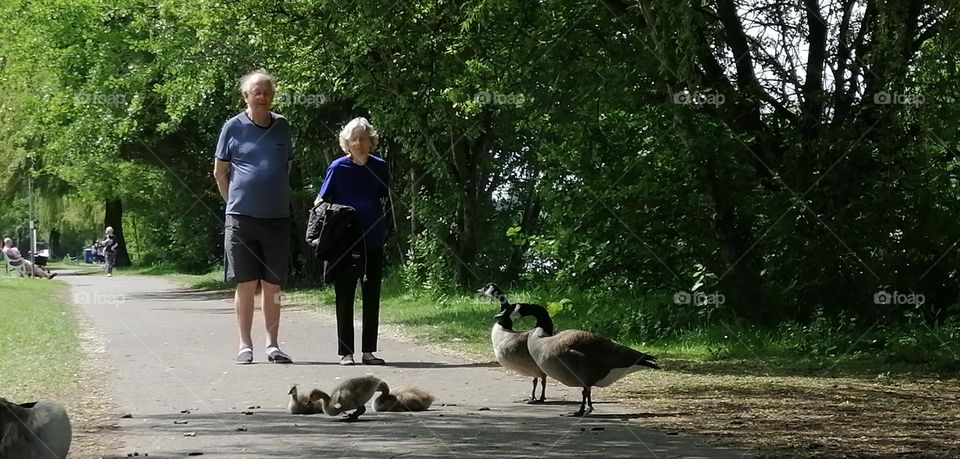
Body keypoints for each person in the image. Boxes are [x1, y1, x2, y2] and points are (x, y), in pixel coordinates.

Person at [214, 69, 294, 364]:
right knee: (246, 283)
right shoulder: (232, 127)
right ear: (246, 96)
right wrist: (233, 202)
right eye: (256, 92)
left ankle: (272, 344)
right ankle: (245, 345)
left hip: (277, 218)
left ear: (272, 97)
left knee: (273, 285)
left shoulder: (283, 126)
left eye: (267, 92)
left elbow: (285, 167)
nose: (262, 97)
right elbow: (219, 172)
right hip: (241, 218)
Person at [316, 117, 392, 366]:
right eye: (353, 139)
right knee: (344, 296)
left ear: (372, 142)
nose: (358, 143)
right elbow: (320, 202)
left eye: (363, 138)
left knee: (372, 295)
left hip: (373, 239)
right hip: (345, 243)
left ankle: (368, 352)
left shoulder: (380, 167)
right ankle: (346, 353)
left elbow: (382, 198)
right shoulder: (337, 168)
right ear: (346, 143)